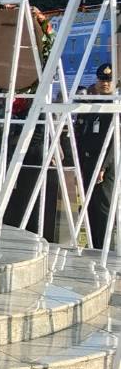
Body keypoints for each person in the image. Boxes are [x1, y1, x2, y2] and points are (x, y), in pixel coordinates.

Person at [77, 62, 114, 247]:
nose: (104, 83)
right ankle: (91, 244)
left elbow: (115, 141)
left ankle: (103, 246)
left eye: (108, 80)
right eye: (101, 79)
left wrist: (104, 166)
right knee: (88, 205)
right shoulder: (95, 104)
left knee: (103, 208)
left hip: (105, 167)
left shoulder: (115, 107)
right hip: (88, 162)